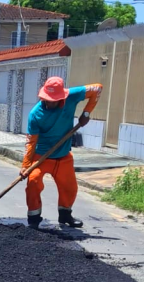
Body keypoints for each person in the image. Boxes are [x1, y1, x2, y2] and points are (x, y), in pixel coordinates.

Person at [21, 76, 102, 229]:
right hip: (41, 157)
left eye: (53, 99)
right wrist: (25, 165)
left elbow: (97, 88)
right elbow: (31, 142)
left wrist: (86, 113)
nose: (50, 102)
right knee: (33, 182)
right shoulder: (35, 114)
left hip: (64, 155)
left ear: (61, 97)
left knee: (69, 188)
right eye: (47, 99)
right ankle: (33, 219)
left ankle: (65, 215)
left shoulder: (71, 96)